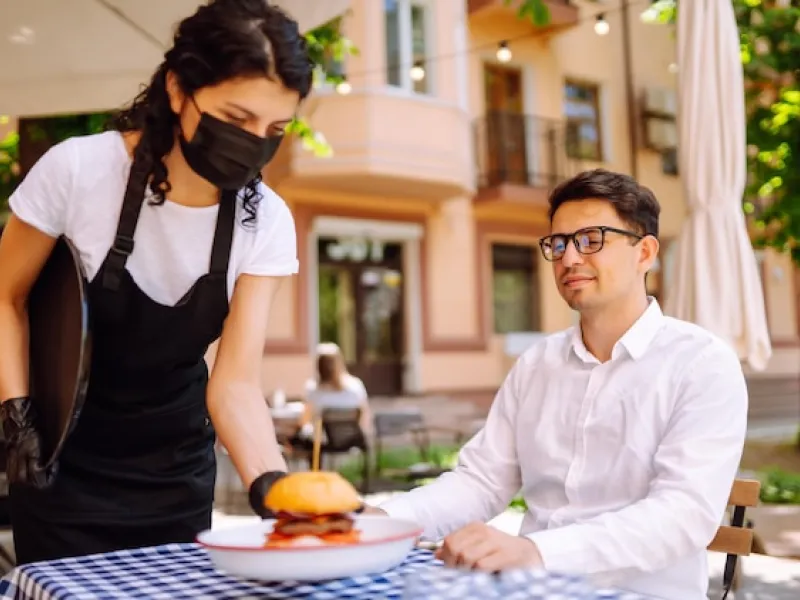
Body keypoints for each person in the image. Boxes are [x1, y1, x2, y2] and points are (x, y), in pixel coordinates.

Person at [0, 0, 312, 564]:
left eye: (274, 129)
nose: (253, 141)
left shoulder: (265, 219)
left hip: (176, 479)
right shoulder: (78, 172)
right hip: (61, 469)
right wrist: (15, 412)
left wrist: (273, 485)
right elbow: (5, 295)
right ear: (176, 89)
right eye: (236, 118)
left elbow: (235, 383)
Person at [368, 169, 748, 600]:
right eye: (559, 243)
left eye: (591, 239)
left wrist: (535, 551)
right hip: (528, 590)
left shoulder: (701, 363)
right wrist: (382, 517)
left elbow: (682, 515)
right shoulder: (537, 365)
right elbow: (482, 481)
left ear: (644, 252)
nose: (569, 258)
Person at [293, 343, 372, 444]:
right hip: (353, 440)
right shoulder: (356, 386)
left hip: (323, 443)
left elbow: (304, 420)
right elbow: (365, 417)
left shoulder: (313, 390)